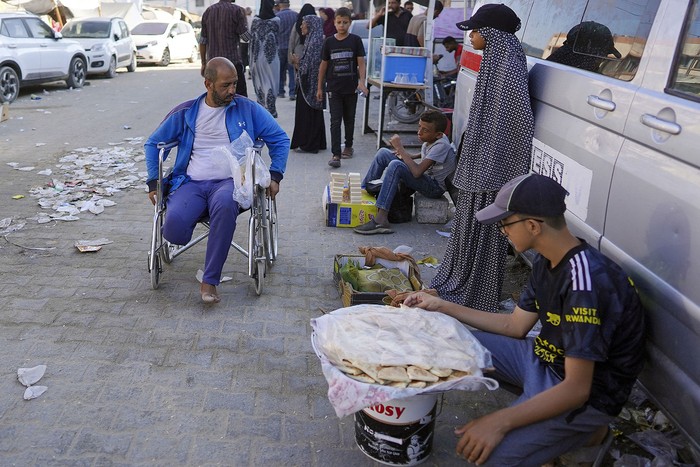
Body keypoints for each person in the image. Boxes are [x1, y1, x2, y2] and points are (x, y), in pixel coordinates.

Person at [404, 173, 646, 465]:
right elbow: (515, 326)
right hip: (541, 361)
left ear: (532, 225)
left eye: (505, 224)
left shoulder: (586, 283)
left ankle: (587, 430)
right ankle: (564, 430)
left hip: (582, 395)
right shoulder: (547, 259)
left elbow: (577, 389)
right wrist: (441, 306)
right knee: (449, 342)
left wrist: (500, 421)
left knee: (490, 455)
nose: (502, 232)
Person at [144, 58, 289, 304]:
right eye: (226, 85)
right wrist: (153, 181)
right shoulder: (186, 112)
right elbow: (153, 144)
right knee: (175, 229)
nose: (233, 90)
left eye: (235, 83)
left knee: (224, 205)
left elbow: (280, 138)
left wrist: (275, 175)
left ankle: (210, 280)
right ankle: (187, 226)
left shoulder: (246, 108)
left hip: (231, 182)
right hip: (191, 183)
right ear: (208, 84)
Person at [430, 4, 534, 312]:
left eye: (476, 30)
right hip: (483, 161)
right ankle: (462, 278)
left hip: (494, 166)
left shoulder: (509, 64)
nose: (471, 36)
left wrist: (496, 162)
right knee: (470, 226)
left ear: (492, 33)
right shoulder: (496, 60)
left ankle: (476, 290)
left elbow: (518, 121)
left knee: (485, 232)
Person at [354, 110, 455, 234]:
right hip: (426, 178)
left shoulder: (442, 145)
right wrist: (409, 156)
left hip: (434, 187)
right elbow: (428, 156)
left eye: (425, 130)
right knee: (383, 153)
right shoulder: (436, 138)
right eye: (419, 127)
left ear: (438, 134)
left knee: (396, 165)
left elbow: (417, 172)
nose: (419, 132)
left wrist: (400, 149)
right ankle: (363, 194)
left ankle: (381, 219)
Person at [317, 7, 368, 168]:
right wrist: (320, 87)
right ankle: (335, 154)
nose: (342, 25)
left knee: (349, 119)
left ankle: (349, 145)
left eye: (345, 22)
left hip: (351, 88)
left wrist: (362, 81)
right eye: (339, 22)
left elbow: (361, 62)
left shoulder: (355, 40)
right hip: (333, 88)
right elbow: (323, 66)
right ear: (334, 22)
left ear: (349, 23)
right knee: (335, 120)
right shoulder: (329, 42)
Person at [290, 15, 327, 154]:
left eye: (304, 24)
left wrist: (297, 63)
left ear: (311, 26)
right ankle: (317, 142)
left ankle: (309, 144)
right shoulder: (312, 39)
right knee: (312, 114)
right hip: (309, 84)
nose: (301, 26)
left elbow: (312, 66)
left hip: (310, 86)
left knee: (307, 114)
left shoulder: (315, 42)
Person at [199, 0, 249, 97]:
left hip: (213, 65)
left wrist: (203, 63)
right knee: (240, 99)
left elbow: (202, 41)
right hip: (233, 64)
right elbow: (245, 37)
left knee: (216, 98)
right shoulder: (237, 11)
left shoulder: (208, 11)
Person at [547, 21, 622, 73]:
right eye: (603, 53)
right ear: (589, 49)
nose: (603, 58)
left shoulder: (552, 65)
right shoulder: (565, 75)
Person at [250, 0, 281, 118]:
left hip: (257, 59)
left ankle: (261, 111)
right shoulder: (276, 21)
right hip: (271, 59)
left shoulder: (255, 21)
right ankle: (271, 111)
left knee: (259, 84)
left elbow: (251, 43)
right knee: (272, 84)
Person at [275, 0, 298, 100]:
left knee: (280, 71)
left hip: (280, 46)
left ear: (280, 4)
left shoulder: (277, 17)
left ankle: (281, 91)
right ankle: (292, 92)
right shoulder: (296, 15)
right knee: (292, 70)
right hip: (292, 48)